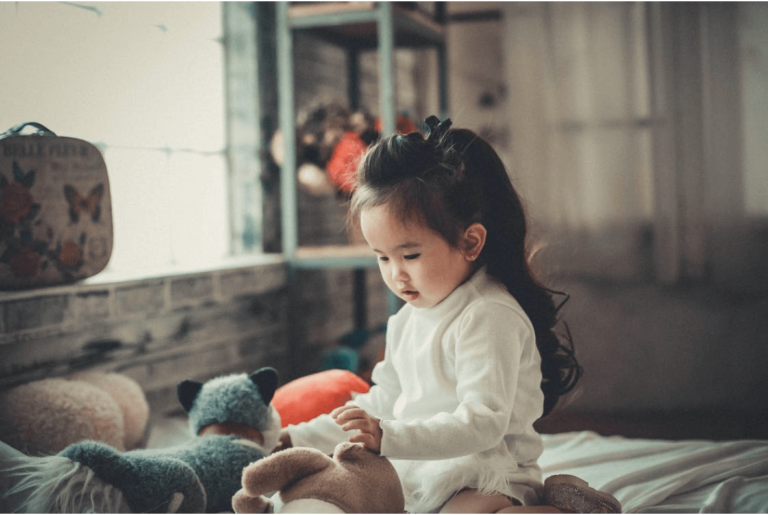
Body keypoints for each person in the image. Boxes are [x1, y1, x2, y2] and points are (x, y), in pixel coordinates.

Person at [278, 116, 620, 513]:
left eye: (410, 255)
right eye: (382, 257)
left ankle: (566, 505)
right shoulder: (407, 318)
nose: (395, 274)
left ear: (470, 241)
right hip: (416, 472)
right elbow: (383, 400)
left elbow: (483, 422)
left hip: (488, 476)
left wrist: (388, 436)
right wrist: (294, 438)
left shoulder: (489, 314)